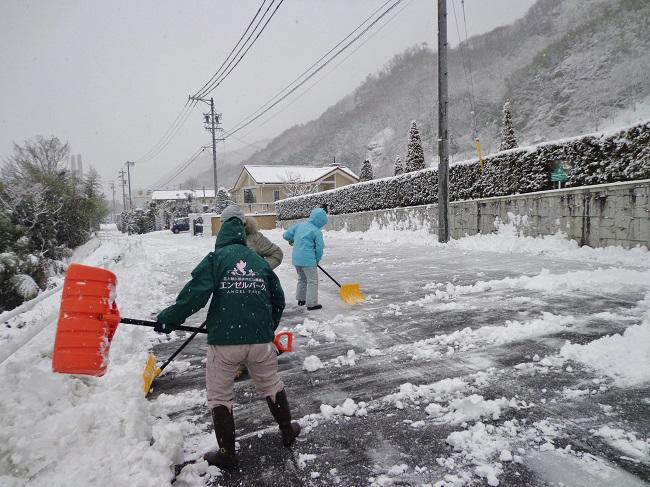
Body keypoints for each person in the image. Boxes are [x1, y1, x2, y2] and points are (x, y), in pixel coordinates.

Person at [155, 204, 300, 469]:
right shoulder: (257, 261)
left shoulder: (216, 259)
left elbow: (195, 295)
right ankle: (287, 431)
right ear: (244, 230)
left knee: (220, 396)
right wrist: (265, 329)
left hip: (225, 343)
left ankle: (227, 453)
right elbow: (278, 300)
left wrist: (169, 318)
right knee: (271, 385)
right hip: (260, 342)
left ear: (222, 229)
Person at [282, 207, 328, 311]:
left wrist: (293, 239)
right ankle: (311, 304)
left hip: (296, 260)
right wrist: (316, 260)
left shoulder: (300, 225)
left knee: (302, 279)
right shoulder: (316, 231)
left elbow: (285, 235)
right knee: (312, 281)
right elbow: (319, 248)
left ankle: (301, 299)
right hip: (308, 260)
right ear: (320, 221)